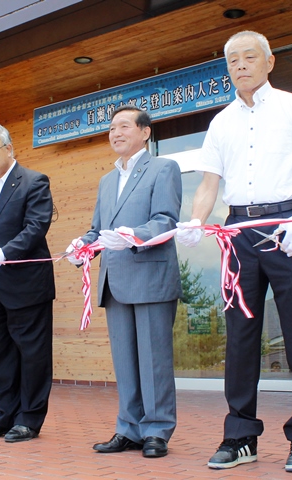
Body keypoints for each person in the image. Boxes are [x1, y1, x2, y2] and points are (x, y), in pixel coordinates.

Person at [176, 31, 292, 473]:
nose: (240, 65)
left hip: (289, 224)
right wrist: (195, 220)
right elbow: (209, 185)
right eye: (232, 60)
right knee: (241, 337)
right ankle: (240, 436)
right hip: (238, 228)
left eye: (249, 57)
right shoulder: (221, 121)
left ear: (269, 61)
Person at [68, 105, 182, 458]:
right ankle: (128, 429)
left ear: (145, 132)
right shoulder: (106, 180)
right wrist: (82, 246)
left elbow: (166, 220)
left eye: (123, 126)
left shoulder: (164, 168)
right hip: (114, 281)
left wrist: (133, 235)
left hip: (150, 277)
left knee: (153, 360)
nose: (115, 133)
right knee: (126, 362)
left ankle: (157, 431)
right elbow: (97, 229)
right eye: (111, 128)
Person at [0, 122, 55, 443]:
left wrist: (1, 254)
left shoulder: (33, 182)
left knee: (32, 353)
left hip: (27, 285)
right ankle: (4, 415)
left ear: (9, 149)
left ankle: (29, 419)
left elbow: (35, 228)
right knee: (1, 353)